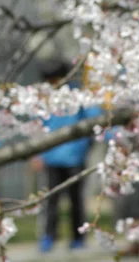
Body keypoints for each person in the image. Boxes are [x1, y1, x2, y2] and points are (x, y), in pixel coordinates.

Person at [31, 60, 103, 253]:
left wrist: (87, 145)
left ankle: (77, 238)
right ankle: (48, 237)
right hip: (51, 157)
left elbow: (94, 119)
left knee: (75, 200)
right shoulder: (43, 98)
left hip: (74, 156)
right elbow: (36, 126)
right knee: (50, 201)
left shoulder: (77, 95)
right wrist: (37, 154)